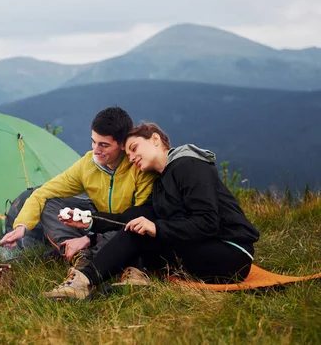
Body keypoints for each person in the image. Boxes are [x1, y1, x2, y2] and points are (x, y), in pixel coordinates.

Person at [43, 123, 260, 300]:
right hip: (206, 249)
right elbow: (128, 217)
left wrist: (156, 228)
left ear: (155, 139)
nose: (132, 157)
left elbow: (207, 222)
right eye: (128, 155)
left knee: (142, 233)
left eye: (134, 148)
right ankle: (135, 278)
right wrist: (90, 221)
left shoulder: (189, 165)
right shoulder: (160, 183)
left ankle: (83, 282)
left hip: (231, 254)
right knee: (137, 226)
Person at [0, 107, 157, 260]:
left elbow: (139, 219)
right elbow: (43, 192)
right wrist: (21, 227)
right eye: (93, 142)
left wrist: (90, 239)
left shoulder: (139, 167)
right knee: (49, 202)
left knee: (134, 230)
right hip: (96, 223)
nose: (95, 150)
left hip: (124, 229)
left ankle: (88, 251)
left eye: (104, 145)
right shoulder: (88, 164)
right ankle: (75, 253)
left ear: (123, 144)